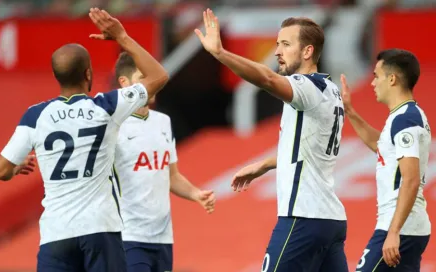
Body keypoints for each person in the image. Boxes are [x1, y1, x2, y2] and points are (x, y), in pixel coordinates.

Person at [0, 8, 169, 272]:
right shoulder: (107, 106)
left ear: (56, 77)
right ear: (88, 74)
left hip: (56, 234)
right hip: (100, 229)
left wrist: (16, 168)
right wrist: (122, 36)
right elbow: (159, 76)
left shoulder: (36, 116)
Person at [195, 9, 348, 271]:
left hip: (303, 217)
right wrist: (265, 164)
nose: (277, 51)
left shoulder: (306, 87)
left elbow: (266, 78)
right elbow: (308, 150)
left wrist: (220, 53)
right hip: (330, 220)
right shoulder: (330, 90)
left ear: (307, 52)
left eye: (286, 44)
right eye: (277, 43)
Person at [113, 52, 216, 272]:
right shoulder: (113, 126)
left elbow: (172, 176)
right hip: (128, 236)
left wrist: (195, 194)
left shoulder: (163, 121)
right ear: (124, 83)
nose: (152, 85)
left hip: (162, 239)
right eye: (143, 77)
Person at [341, 49, 431, 271]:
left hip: (401, 228)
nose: (372, 83)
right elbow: (380, 145)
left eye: (376, 76)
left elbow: (410, 179)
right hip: (410, 228)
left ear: (392, 79)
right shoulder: (405, 116)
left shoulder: (406, 119)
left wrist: (393, 232)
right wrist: (350, 112)